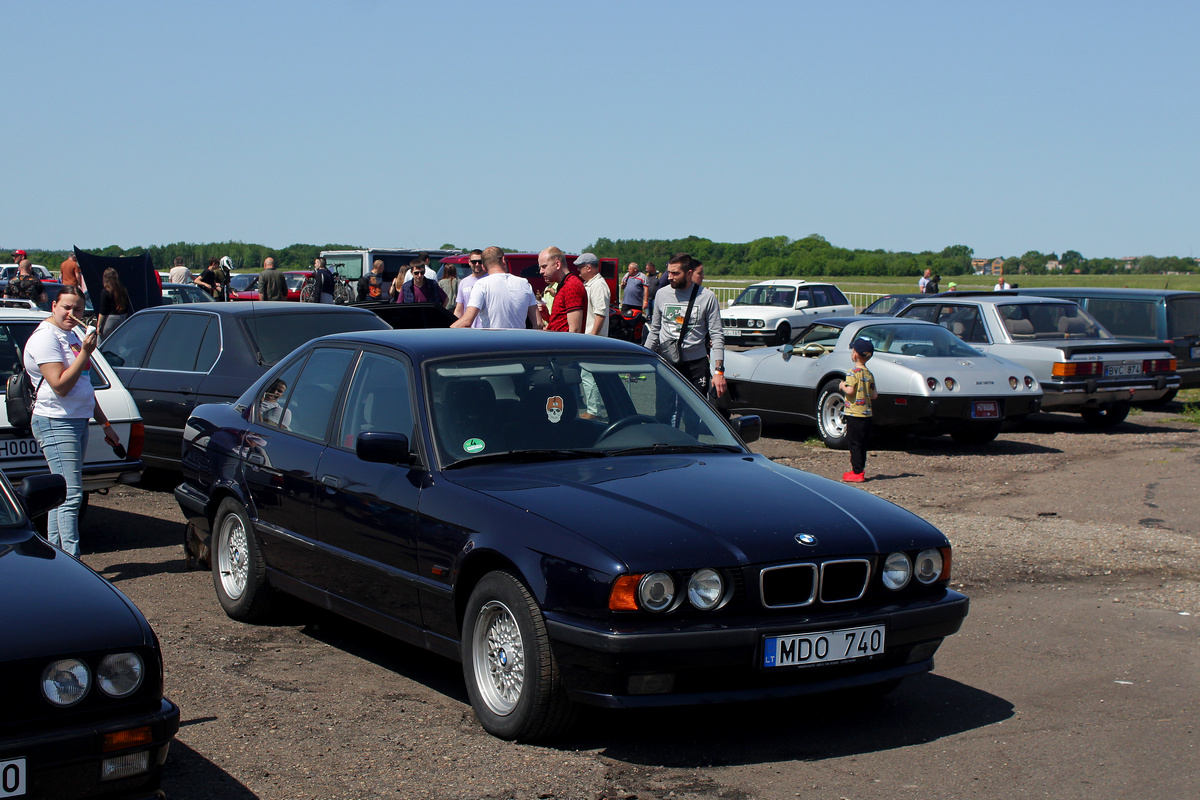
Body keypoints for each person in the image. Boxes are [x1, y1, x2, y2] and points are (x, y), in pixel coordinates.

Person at [24, 285, 122, 556]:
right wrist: (85, 354)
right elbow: (60, 386)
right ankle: (72, 560)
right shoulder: (46, 338)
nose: (72, 313)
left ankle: (57, 557)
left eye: (77, 308)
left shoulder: (73, 333)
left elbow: (84, 387)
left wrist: (106, 424)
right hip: (56, 420)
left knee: (61, 493)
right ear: (53, 306)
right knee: (70, 494)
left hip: (77, 420)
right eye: (66, 307)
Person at [644, 252, 726, 401]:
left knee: (693, 416)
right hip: (667, 362)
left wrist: (719, 371)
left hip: (696, 364)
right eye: (669, 272)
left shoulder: (707, 297)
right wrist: (643, 358)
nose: (669, 277)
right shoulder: (662, 294)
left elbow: (717, 334)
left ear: (689, 273)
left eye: (675, 273)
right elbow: (654, 331)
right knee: (664, 411)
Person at [451, 246, 538, 329]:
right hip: (519, 342)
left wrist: (447, 330)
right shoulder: (524, 283)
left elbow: (466, 321)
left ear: (484, 267)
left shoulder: (481, 285)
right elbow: (538, 323)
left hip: (492, 342)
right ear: (504, 260)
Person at [839, 337, 878, 483]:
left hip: (854, 414)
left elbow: (850, 391)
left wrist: (842, 386)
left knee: (853, 443)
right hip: (867, 415)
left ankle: (856, 472)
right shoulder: (869, 374)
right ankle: (860, 469)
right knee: (862, 444)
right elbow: (874, 395)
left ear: (855, 354)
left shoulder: (852, 372)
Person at [578, 253, 611, 419]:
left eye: (580, 267)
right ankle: (593, 409)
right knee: (588, 375)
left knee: (589, 375)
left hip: (593, 339)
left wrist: (591, 337)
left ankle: (593, 411)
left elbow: (600, 314)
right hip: (592, 337)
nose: (578, 271)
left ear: (588, 267)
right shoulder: (592, 284)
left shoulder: (598, 285)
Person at [538, 246, 586, 332]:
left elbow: (575, 329)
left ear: (557, 264)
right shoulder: (564, 285)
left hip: (564, 345)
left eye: (544, 266)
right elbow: (562, 324)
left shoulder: (572, 286)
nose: (541, 271)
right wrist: (547, 317)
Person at [96, 268, 131, 340]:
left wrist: (98, 325)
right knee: (119, 341)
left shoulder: (105, 292)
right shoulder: (123, 290)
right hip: (122, 318)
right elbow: (127, 306)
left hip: (110, 319)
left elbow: (103, 311)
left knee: (102, 341)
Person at [454, 250, 486, 323]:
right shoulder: (463, 282)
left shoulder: (490, 280)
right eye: (474, 262)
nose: (477, 264)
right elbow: (459, 310)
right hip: (469, 329)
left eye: (480, 261)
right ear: (469, 262)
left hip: (485, 328)